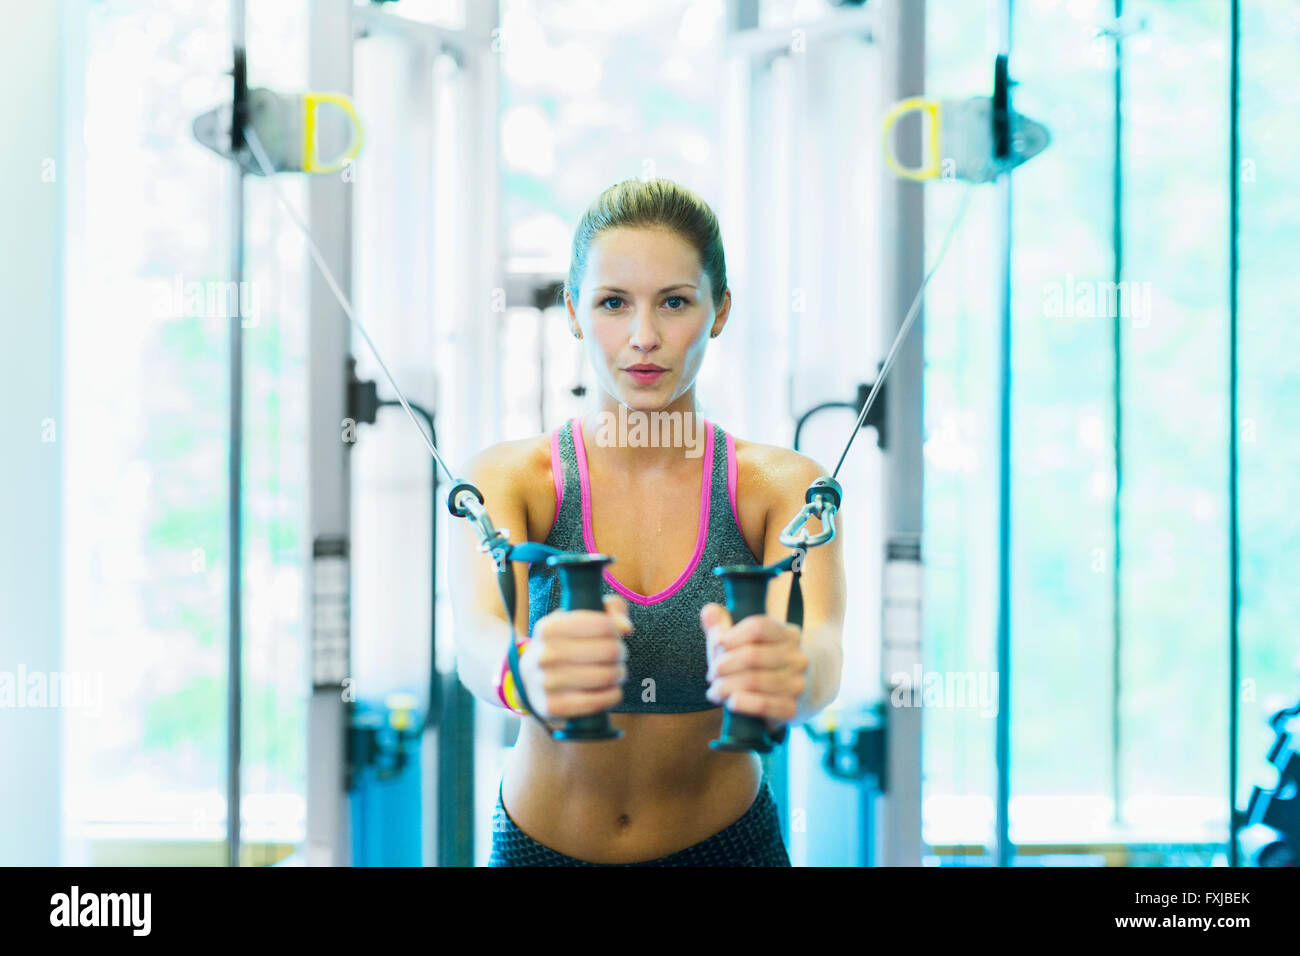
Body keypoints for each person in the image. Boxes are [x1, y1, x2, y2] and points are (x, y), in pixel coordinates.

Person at [450, 178, 846, 866]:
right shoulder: (509, 479)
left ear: (719, 311)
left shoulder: (782, 486)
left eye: (674, 302)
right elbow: (477, 638)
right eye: (612, 303)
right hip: (541, 848)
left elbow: (820, 652)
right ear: (574, 311)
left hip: (730, 848)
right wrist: (523, 676)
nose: (644, 338)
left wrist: (793, 676)